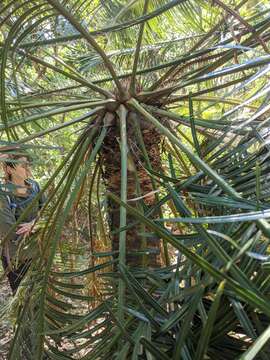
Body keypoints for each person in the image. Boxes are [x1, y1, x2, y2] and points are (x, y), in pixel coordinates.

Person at [0, 150, 45, 295]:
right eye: (23, 165)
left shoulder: (34, 186)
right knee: (22, 299)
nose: (27, 168)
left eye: (28, 164)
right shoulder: (3, 194)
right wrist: (39, 223)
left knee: (39, 295)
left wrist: (33, 225)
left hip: (38, 253)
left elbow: (48, 211)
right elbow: (10, 230)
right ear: (9, 169)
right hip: (16, 258)